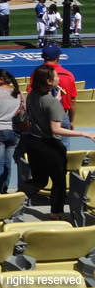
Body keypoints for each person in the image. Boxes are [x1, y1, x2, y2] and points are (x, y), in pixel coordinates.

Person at [21, 64, 95, 219]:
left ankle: (17, 196)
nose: (58, 78)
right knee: (59, 182)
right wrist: (83, 133)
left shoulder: (32, 95)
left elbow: (40, 110)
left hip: (33, 143)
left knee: (39, 180)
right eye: (55, 76)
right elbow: (55, 129)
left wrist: (54, 100)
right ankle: (55, 213)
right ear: (48, 81)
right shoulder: (52, 103)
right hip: (49, 146)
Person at [28, 44, 78, 149]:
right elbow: (72, 101)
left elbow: (31, 95)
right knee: (63, 151)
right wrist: (71, 120)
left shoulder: (37, 74)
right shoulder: (68, 75)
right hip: (62, 115)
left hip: (42, 116)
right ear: (58, 57)